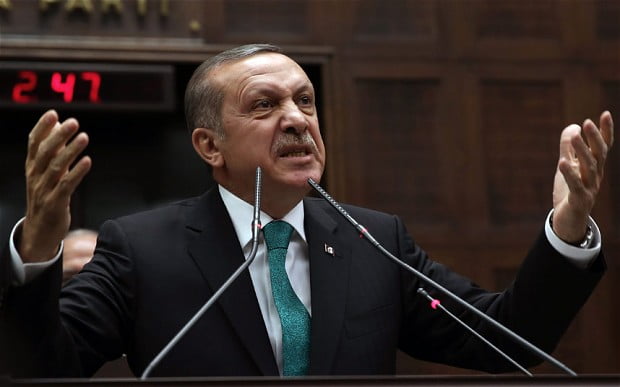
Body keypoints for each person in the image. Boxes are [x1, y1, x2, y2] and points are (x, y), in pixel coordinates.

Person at [0, 44, 614, 378]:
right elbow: (46, 368)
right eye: (264, 106)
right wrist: (38, 255)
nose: (296, 119)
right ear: (209, 145)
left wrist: (564, 231)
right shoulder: (141, 247)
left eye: (306, 102)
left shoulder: (374, 239)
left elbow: (507, 339)